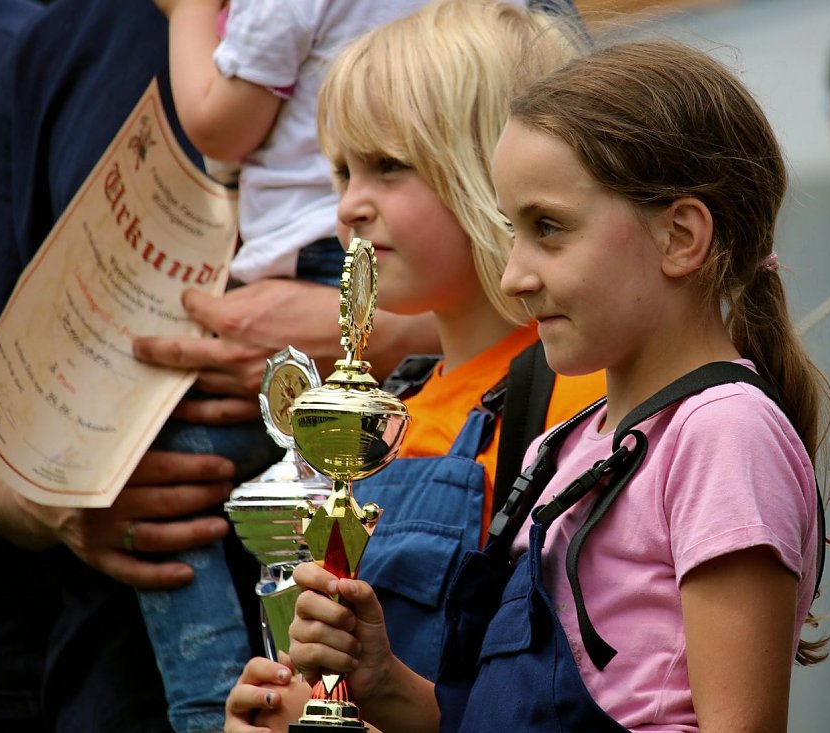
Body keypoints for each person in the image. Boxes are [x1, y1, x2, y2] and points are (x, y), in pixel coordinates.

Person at [280, 38, 830, 733]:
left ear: (681, 237)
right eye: (514, 232)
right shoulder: (562, 447)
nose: (515, 275)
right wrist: (382, 680)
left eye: (549, 229)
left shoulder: (722, 432)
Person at [0, 0, 435, 731]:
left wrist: (378, 334)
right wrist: (59, 498)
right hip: (114, 655)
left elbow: (560, 287)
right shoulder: (54, 45)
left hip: (414, 641)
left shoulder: (485, 22)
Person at [223, 1, 603, 729]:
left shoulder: (579, 402)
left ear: (499, 164)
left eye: (387, 166)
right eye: (339, 172)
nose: (350, 206)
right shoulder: (385, 411)